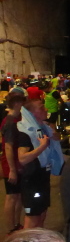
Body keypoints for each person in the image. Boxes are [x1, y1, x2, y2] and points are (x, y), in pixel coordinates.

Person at [17, 100, 63, 229]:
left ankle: (38, 240)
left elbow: (54, 140)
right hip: (31, 180)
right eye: (41, 108)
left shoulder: (44, 128)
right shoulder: (25, 132)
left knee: (42, 214)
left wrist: (55, 136)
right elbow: (22, 158)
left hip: (43, 177)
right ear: (31, 113)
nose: (46, 109)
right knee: (32, 218)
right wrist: (42, 147)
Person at [1, 92, 25, 234]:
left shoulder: (15, 119)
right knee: (11, 196)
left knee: (18, 195)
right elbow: (8, 147)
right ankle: (11, 228)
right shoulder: (10, 122)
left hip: (16, 163)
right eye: (22, 103)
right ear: (17, 104)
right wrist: (12, 169)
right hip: (11, 164)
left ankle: (16, 224)